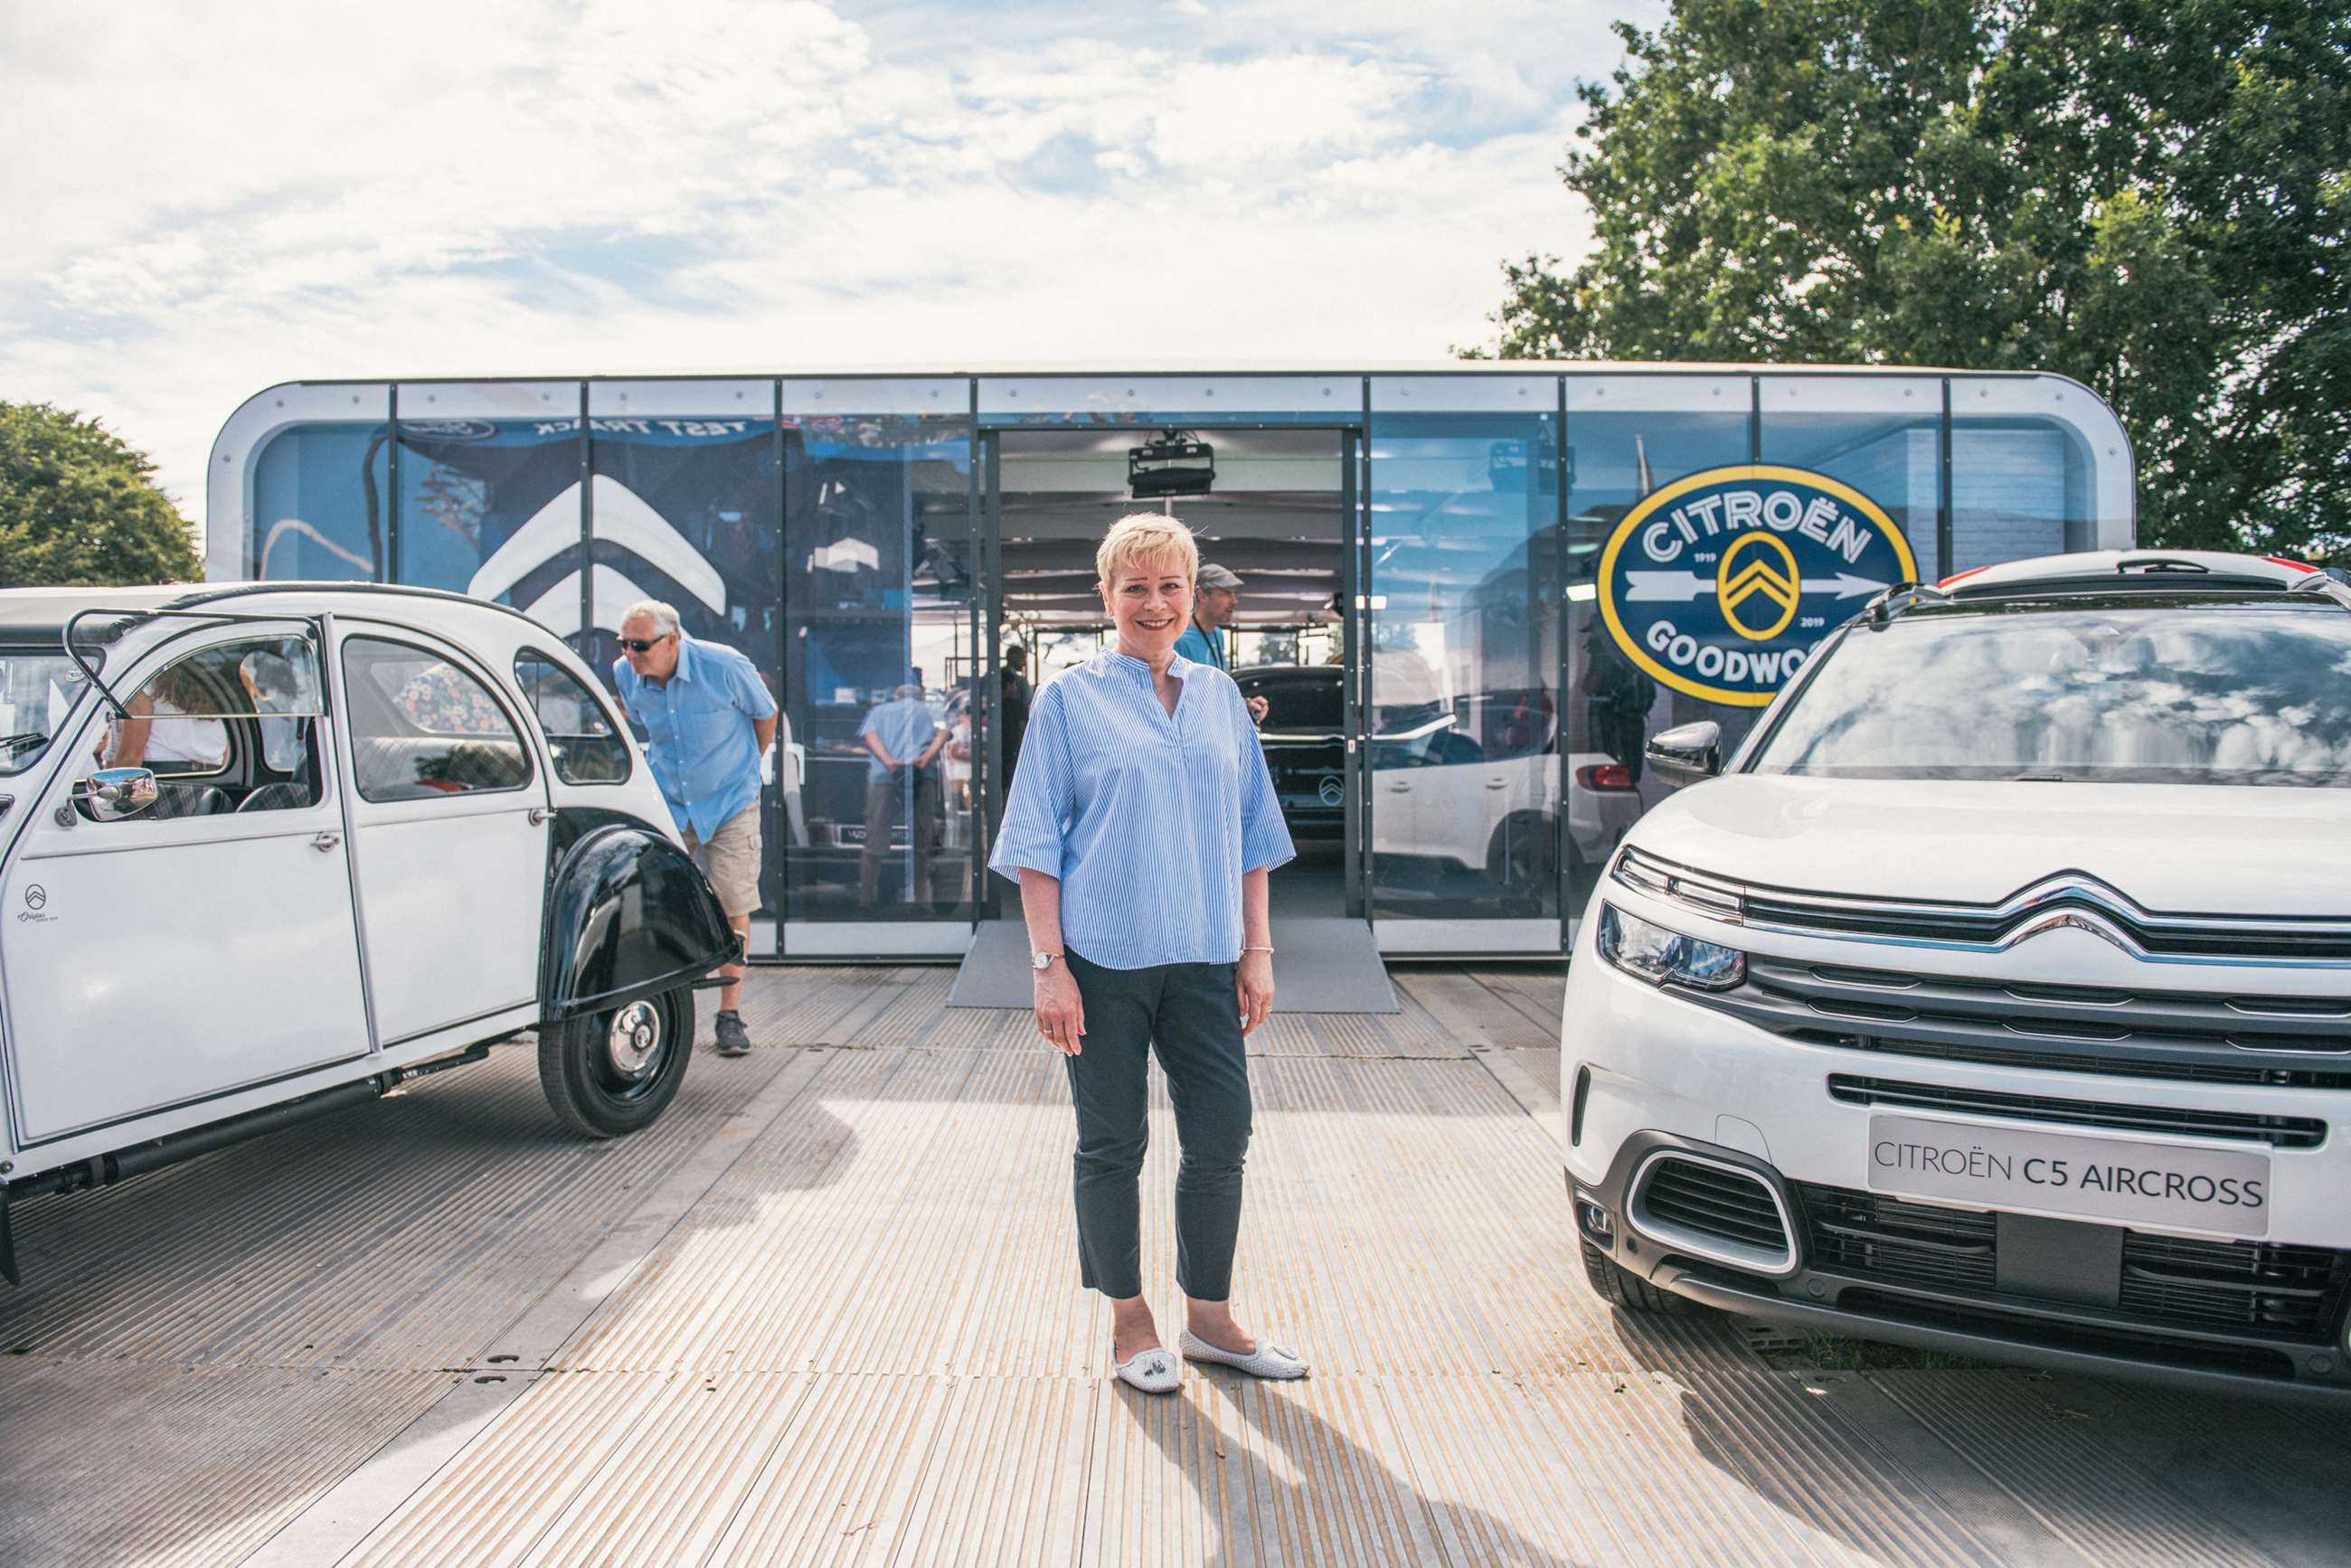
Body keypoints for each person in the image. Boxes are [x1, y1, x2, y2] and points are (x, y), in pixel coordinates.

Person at [989, 512, 1305, 1396]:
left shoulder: (1215, 698)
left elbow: (1251, 834)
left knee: (1221, 1133)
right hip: (1102, 965)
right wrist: (1048, 970)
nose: (1155, 604)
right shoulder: (1067, 701)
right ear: (1106, 598)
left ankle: (1209, 1317)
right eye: (1136, 588)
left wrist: (1257, 953)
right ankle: (1128, 1318)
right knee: (1111, 1141)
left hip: (1204, 959)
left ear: (1190, 595)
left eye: (1171, 586)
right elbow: (1033, 846)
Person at [611, 600, 778, 1058]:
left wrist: (745, 770)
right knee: (658, 900)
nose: (630, 654)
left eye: (640, 645)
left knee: (733, 901)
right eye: (624, 643)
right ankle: (666, 1003)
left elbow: (766, 715)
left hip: (730, 802)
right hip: (670, 803)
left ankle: (729, 1014)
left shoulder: (724, 666)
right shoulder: (625, 674)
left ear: (672, 640)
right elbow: (640, 724)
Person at [857, 681, 946, 909]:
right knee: (921, 840)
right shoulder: (928, 711)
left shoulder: (880, 711)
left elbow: (870, 736)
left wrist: (889, 763)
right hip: (921, 776)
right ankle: (921, 900)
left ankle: (866, 899)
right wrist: (925, 759)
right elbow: (944, 734)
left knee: (875, 838)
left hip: (883, 778)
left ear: (896, 696)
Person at [1171, 562, 1270, 723]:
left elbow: (1216, 690)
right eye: (1226, 594)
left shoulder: (1217, 634)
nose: (1234, 601)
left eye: (1235, 594)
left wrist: (1244, 704)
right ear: (1202, 595)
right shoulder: (1179, 639)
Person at [998, 643, 1033, 796]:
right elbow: (1027, 709)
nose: (1024, 663)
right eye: (1022, 658)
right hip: (1012, 738)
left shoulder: (991, 676)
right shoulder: (1019, 681)